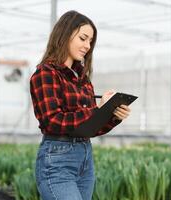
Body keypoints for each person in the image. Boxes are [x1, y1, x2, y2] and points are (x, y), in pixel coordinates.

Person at [30, 10, 131, 200]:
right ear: (65, 34)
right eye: (83, 38)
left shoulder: (83, 79)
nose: (88, 45)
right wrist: (97, 110)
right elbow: (53, 121)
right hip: (57, 160)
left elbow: (89, 128)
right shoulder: (45, 74)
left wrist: (112, 114)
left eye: (91, 41)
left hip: (85, 158)